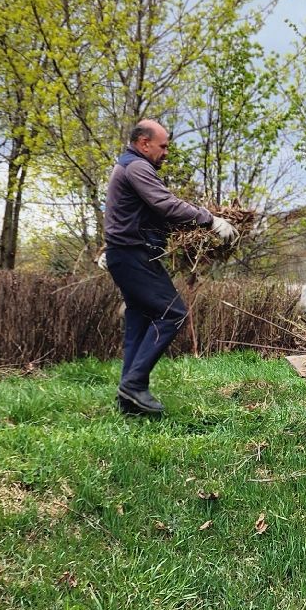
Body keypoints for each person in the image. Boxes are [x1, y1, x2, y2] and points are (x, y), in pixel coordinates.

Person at [103, 119, 235, 415]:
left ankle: (129, 399)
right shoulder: (137, 167)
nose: (166, 152)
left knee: (139, 321)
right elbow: (165, 204)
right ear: (144, 143)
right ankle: (134, 385)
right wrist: (210, 220)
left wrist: (107, 248)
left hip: (126, 254)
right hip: (133, 255)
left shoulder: (127, 166)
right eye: (163, 146)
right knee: (172, 313)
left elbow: (130, 213)